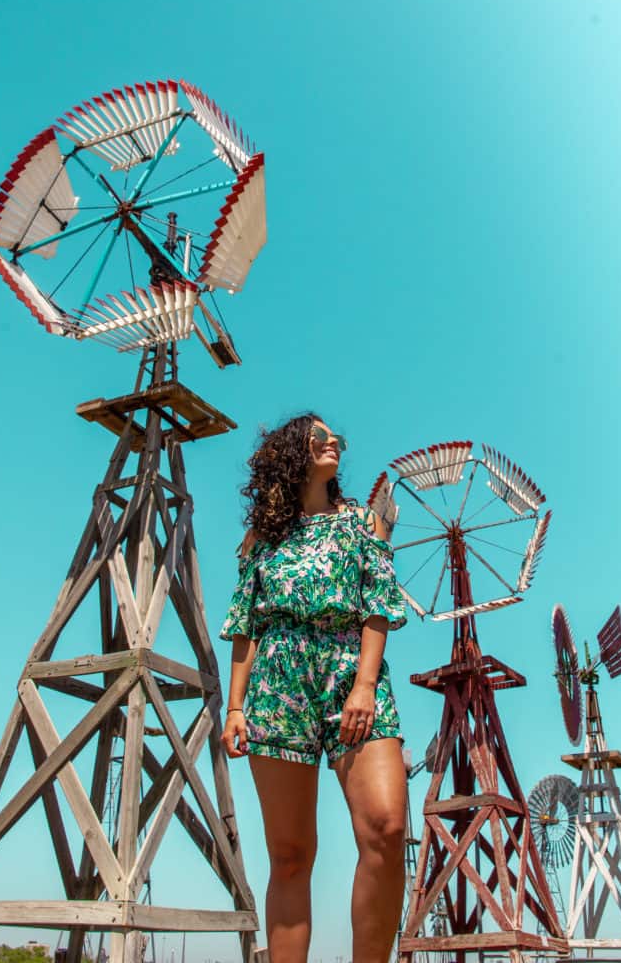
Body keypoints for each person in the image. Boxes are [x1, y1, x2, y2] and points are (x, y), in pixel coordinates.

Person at [219, 412, 408, 963]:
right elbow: (246, 625)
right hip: (278, 683)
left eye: (336, 440)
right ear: (290, 454)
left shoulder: (361, 524)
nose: (333, 445)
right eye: (319, 438)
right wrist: (235, 707)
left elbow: (378, 607)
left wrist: (365, 686)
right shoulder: (262, 538)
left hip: (352, 672)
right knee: (291, 854)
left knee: (387, 826)